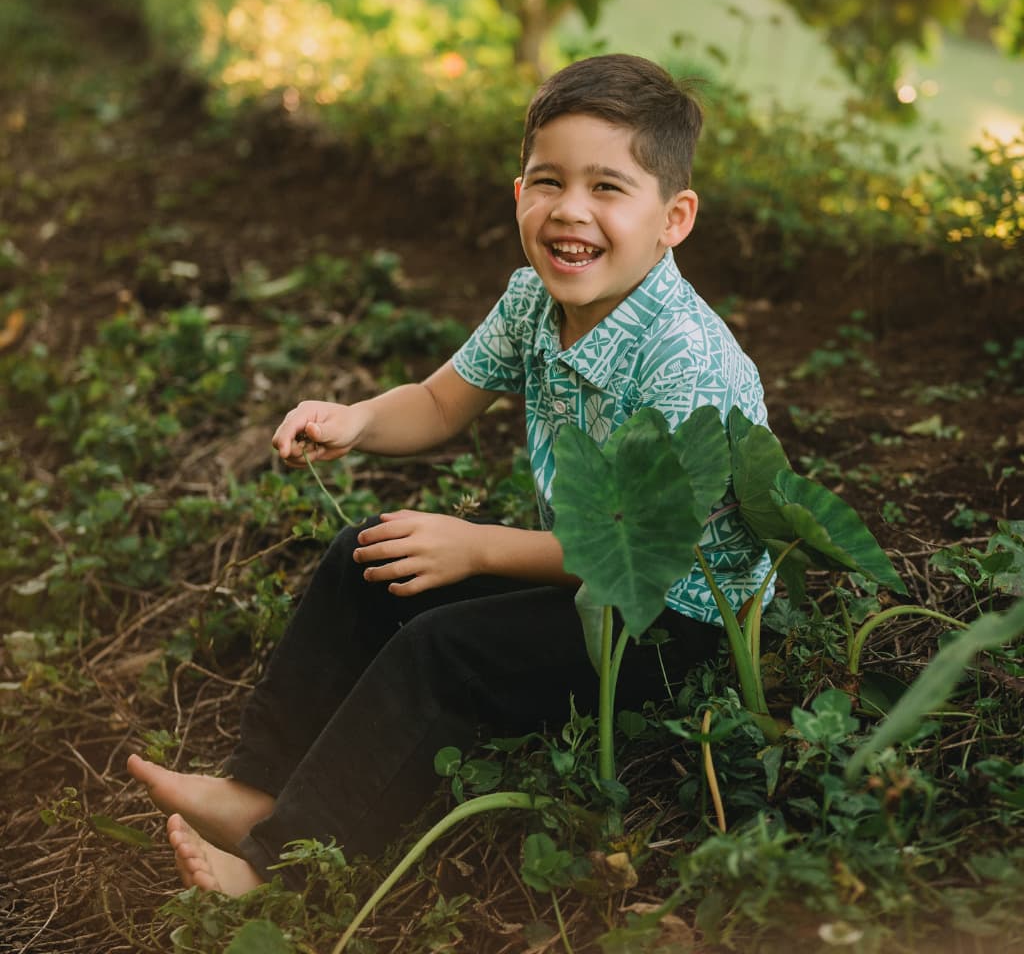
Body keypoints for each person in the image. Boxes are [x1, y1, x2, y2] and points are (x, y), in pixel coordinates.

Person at [128, 53, 772, 895]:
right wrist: (355, 420)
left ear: (674, 217)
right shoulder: (533, 303)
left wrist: (476, 547)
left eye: (608, 188)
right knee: (370, 558)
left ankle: (281, 869)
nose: (570, 210)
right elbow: (437, 403)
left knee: (442, 651)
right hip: (585, 581)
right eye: (549, 181)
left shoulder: (685, 361)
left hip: (671, 625)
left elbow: (633, 551)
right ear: (518, 195)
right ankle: (256, 791)